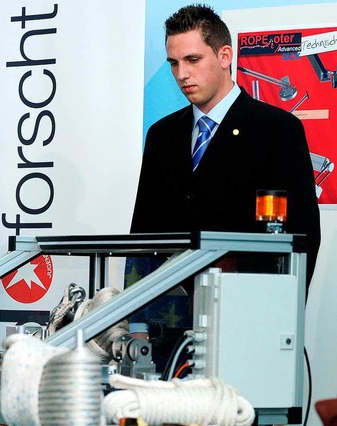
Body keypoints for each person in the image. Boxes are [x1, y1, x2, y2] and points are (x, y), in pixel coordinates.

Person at [130, 4, 321, 288]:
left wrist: (280, 315)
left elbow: (302, 235)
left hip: (246, 307)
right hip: (169, 312)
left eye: (192, 59)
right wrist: (138, 322)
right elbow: (144, 236)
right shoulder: (162, 135)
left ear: (225, 56)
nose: (182, 73)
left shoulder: (277, 130)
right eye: (174, 62)